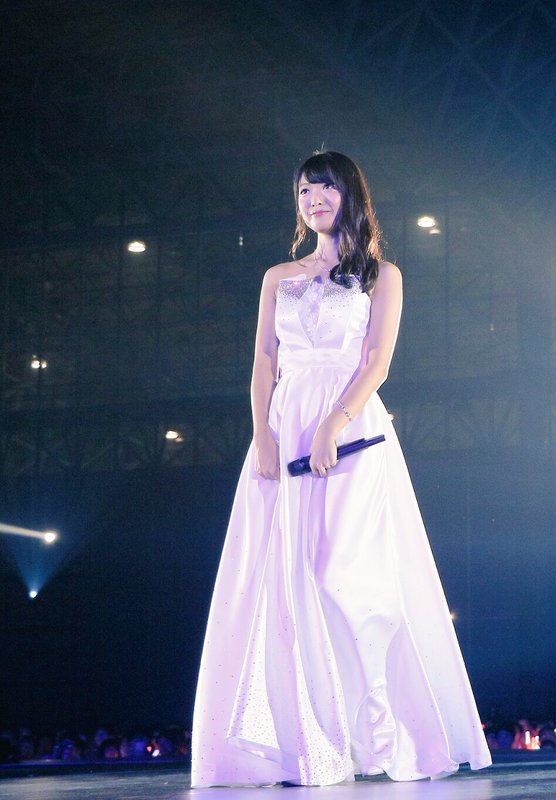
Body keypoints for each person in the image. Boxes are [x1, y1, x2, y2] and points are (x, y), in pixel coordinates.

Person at [191, 151, 491, 787]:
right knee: (286, 580)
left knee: (345, 575)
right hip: (284, 426)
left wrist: (334, 423)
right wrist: (263, 435)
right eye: (305, 190)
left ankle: (380, 732)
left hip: (352, 428)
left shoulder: (383, 275)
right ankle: (309, 745)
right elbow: (263, 361)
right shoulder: (278, 277)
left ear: (350, 195)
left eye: (325, 187)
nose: (314, 199)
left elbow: (378, 360)